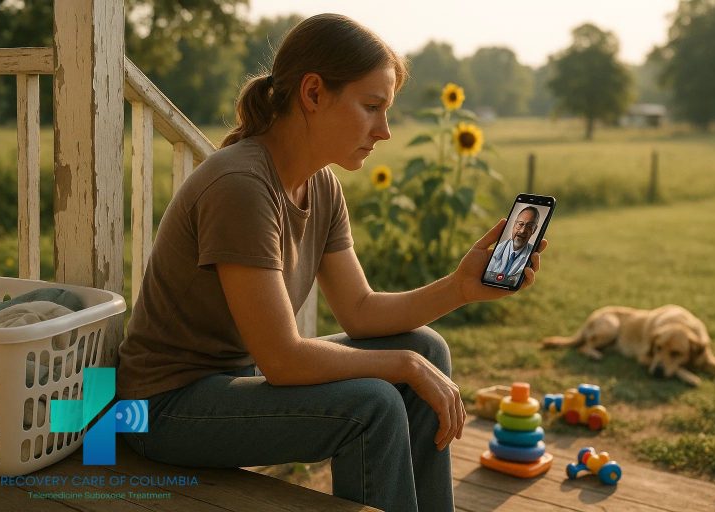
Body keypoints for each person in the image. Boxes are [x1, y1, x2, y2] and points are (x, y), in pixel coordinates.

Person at [116, 13, 547, 512]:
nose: (384, 130)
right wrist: (401, 366)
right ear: (314, 93)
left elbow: (360, 311)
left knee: (425, 349)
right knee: (375, 403)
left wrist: (460, 287)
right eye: (371, 107)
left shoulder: (321, 185)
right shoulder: (240, 185)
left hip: (227, 386)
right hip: (154, 412)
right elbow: (281, 359)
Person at [484, 206, 541, 287]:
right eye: (520, 224)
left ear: (534, 229)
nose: (522, 231)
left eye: (529, 226)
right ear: (514, 225)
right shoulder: (498, 249)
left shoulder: (531, 254)